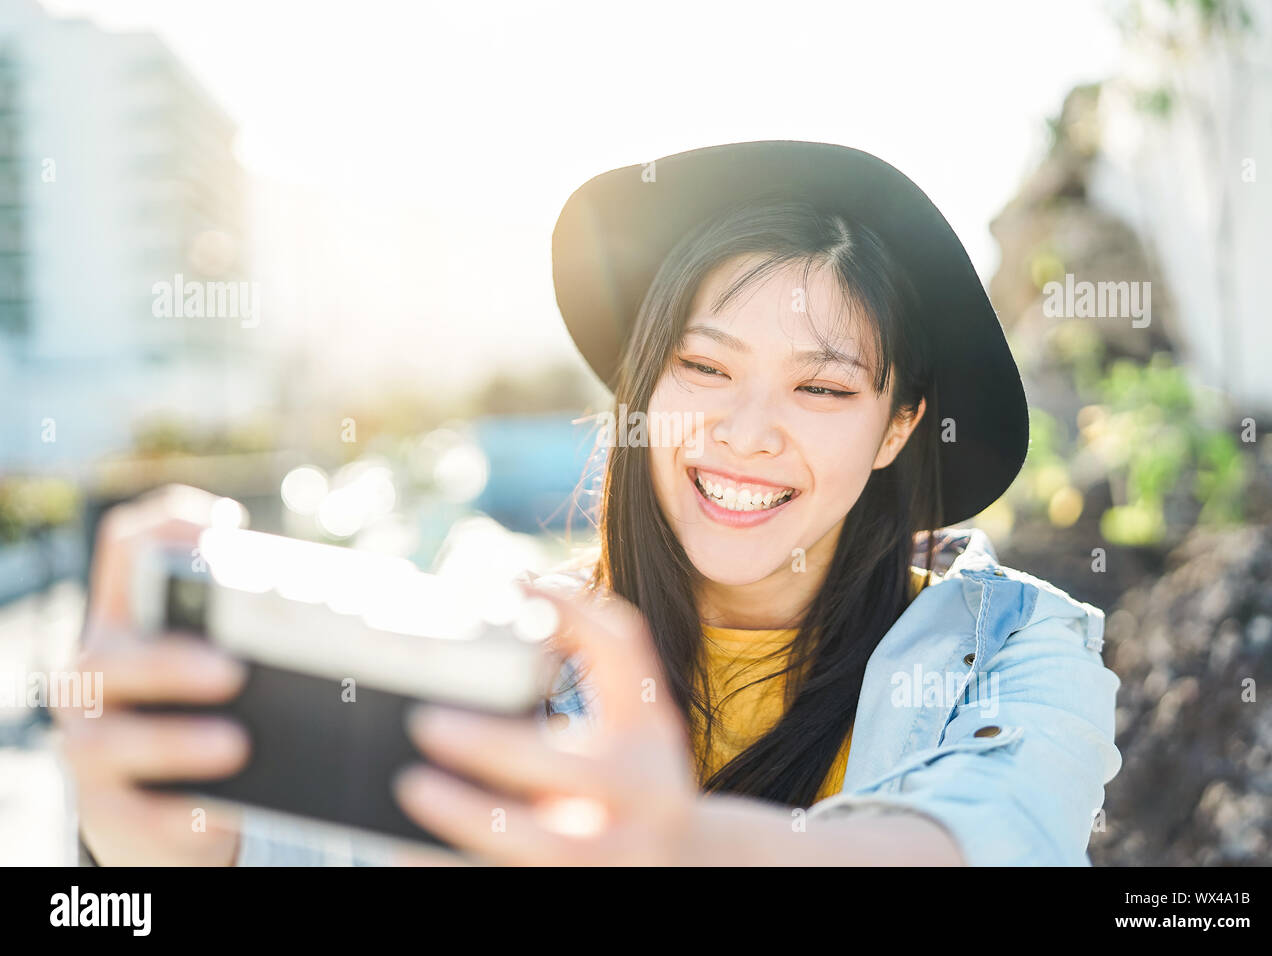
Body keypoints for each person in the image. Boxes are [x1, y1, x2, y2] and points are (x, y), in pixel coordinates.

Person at [58, 141, 1121, 866]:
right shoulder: (502, 651)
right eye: (705, 368)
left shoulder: (1016, 646)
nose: (747, 431)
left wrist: (675, 842)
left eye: (823, 386)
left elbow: (984, 838)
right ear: (644, 389)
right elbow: (288, 848)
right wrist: (135, 814)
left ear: (898, 425)